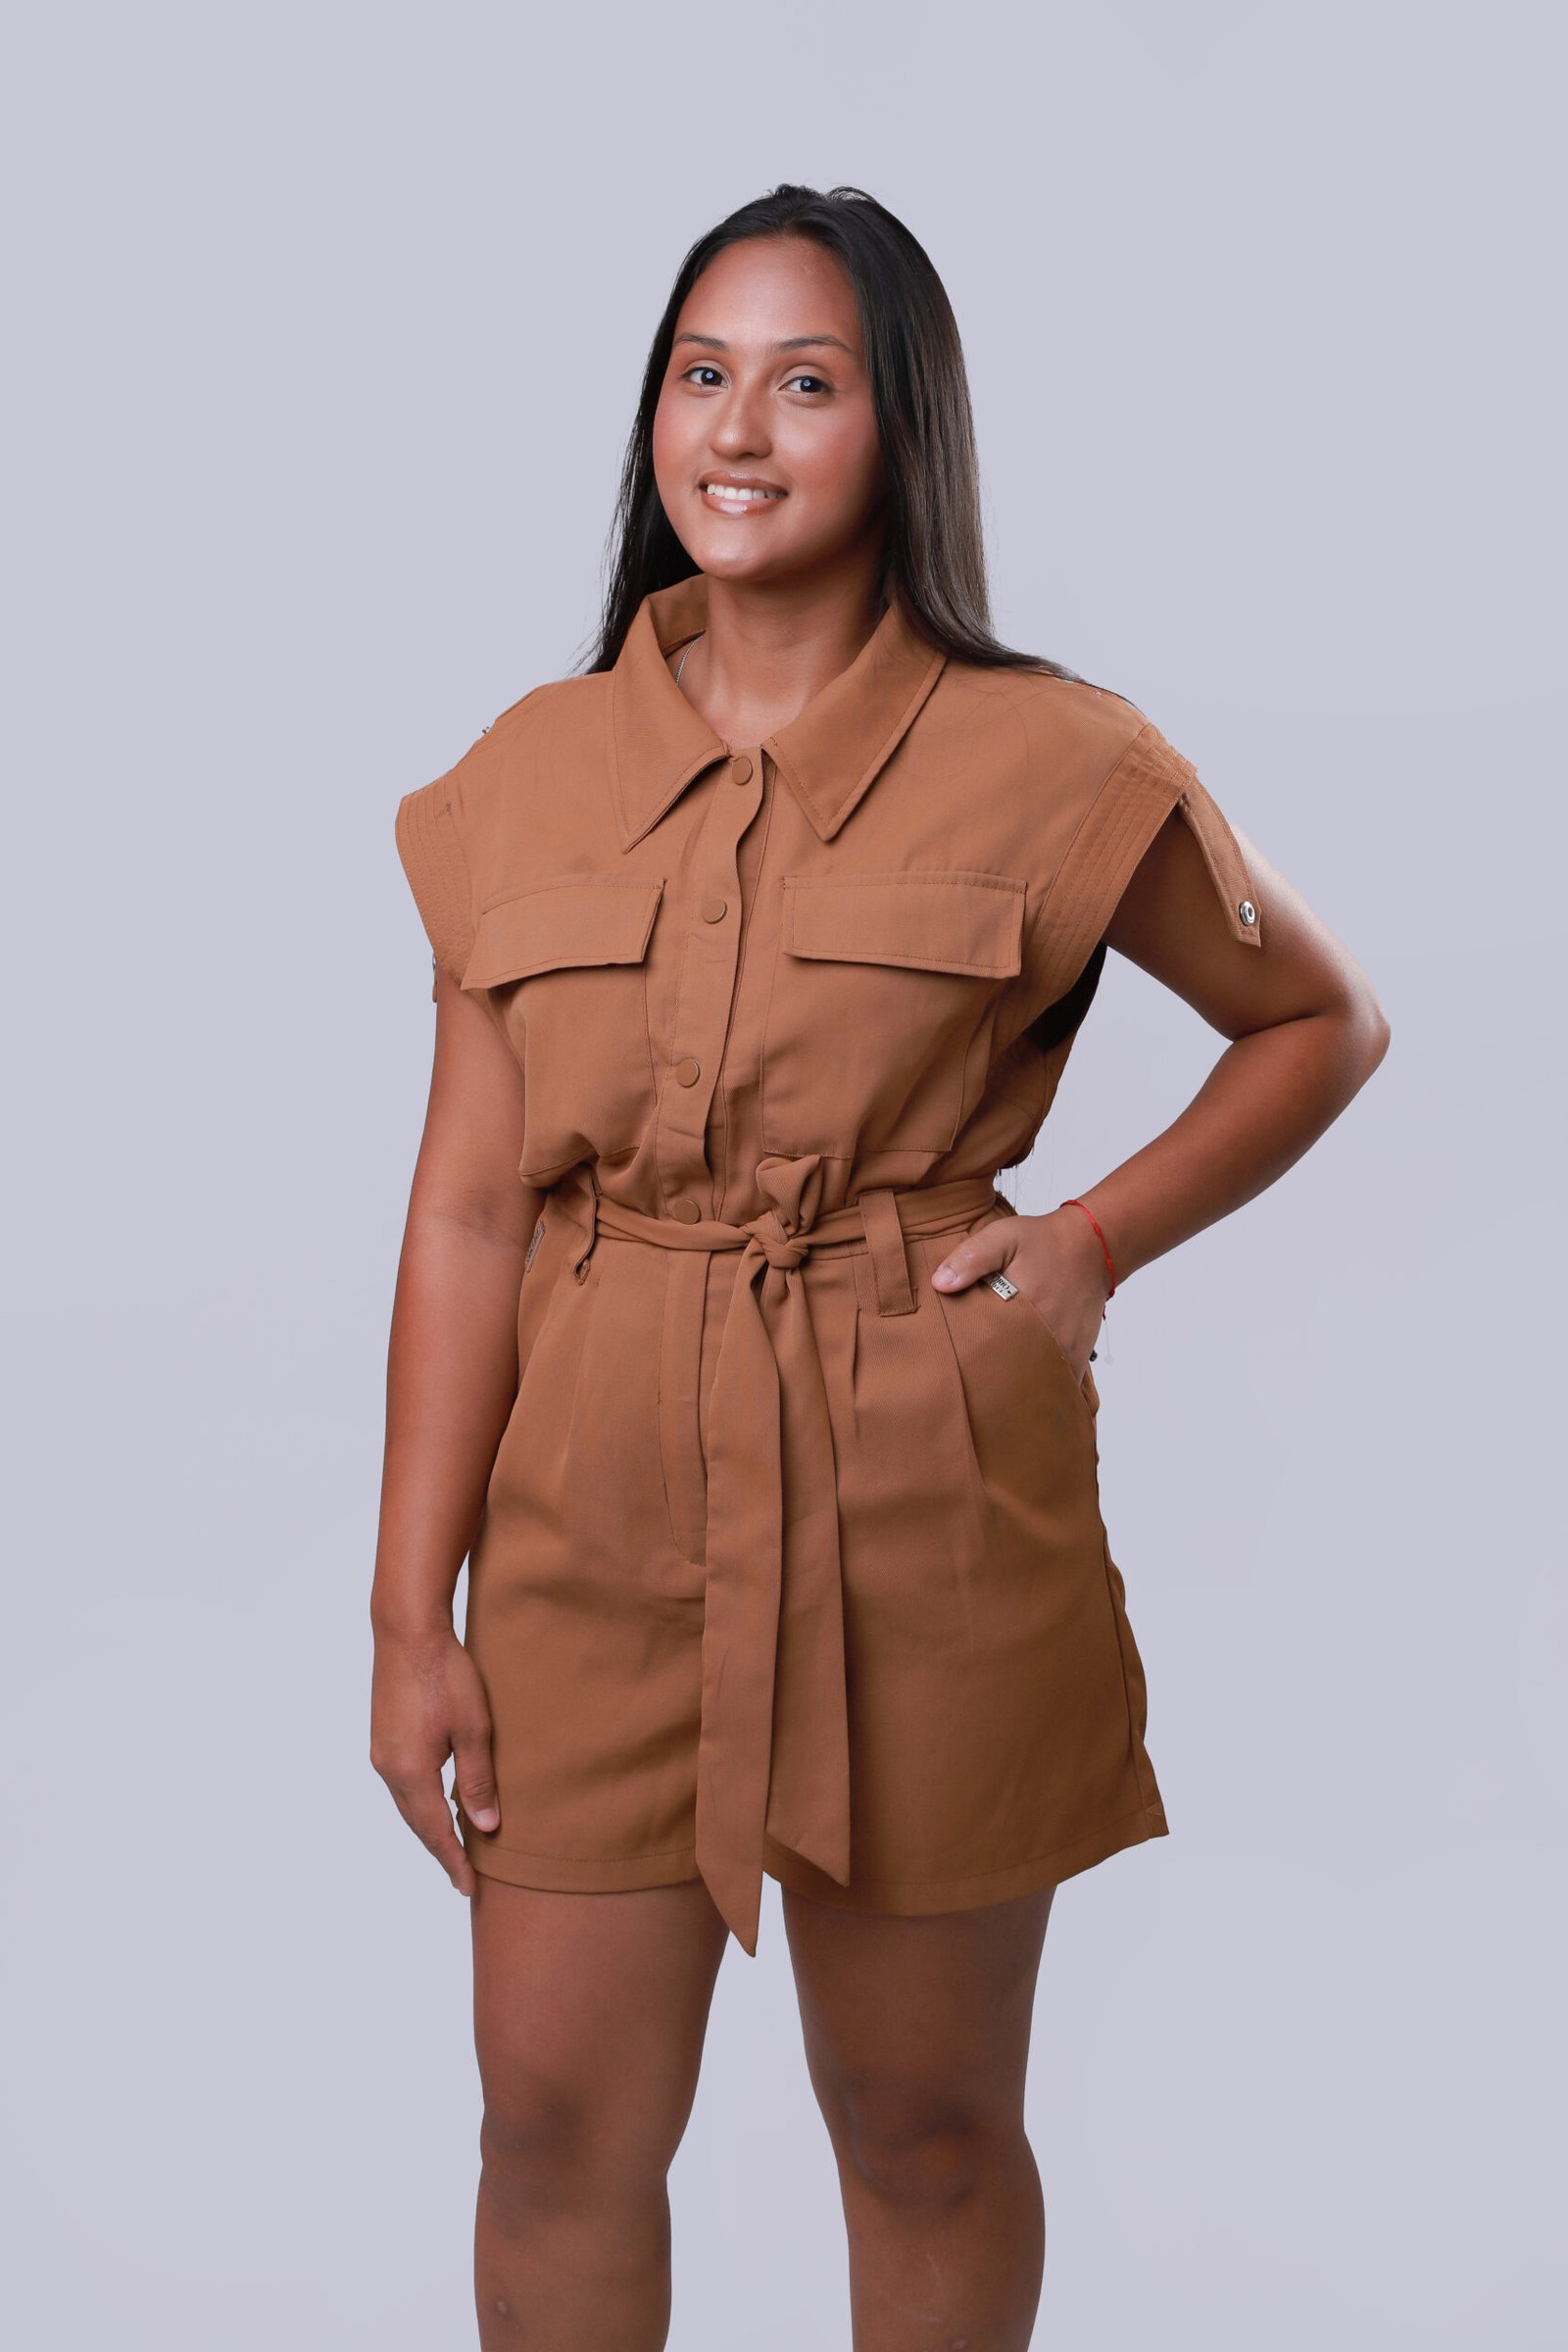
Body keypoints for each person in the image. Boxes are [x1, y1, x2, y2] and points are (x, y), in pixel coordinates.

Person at [370, 182, 1390, 2350]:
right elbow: (464, 1214)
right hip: (586, 1536)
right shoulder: (523, 780)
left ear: (900, 428)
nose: (736, 430)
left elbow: (1319, 1019)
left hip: (923, 1511)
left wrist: (1091, 1239)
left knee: (924, 2131)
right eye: (700, 374)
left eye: (805, 382)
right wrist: (405, 1616)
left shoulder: (1057, 759)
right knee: (548, 2131)